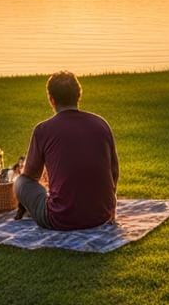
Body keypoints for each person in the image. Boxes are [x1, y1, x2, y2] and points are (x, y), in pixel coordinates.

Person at [15, 71, 119, 230]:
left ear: (51, 99)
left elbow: (30, 176)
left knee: (20, 182)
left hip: (61, 219)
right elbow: (114, 171)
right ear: (79, 95)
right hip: (101, 216)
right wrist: (109, 206)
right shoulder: (101, 124)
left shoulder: (43, 130)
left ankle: (29, 210)